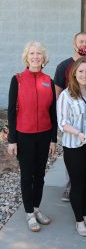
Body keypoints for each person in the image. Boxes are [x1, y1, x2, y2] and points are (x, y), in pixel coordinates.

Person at [7, 41, 57, 232]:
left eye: (39, 54)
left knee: (41, 175)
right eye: (32, 54)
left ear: (44, 58)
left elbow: (52, 112)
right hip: (24, 135)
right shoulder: (17, 79)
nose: (36, 57)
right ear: (26, 57)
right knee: (27, 176)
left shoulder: (48, 80)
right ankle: (29, 213)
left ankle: (36, 209)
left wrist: (53, 138)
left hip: (44, 135)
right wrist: (12, 140)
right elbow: (11, 111)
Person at [57, 57, 86, 237]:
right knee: (78, 184)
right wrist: (78, 133)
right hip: (74, 146)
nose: (84, 74)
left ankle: (84, 215)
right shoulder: (66, 95)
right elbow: (62, 123)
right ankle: (78, 220)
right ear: (74, 73)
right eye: (81, 71)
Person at [54, 32, 86, 202]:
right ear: (74, 43)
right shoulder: (63, 66)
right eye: (81, 41)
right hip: (71, 125)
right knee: (74, 168)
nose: (84, 44)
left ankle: (85, 193)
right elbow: (57, 94)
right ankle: (70, 189)